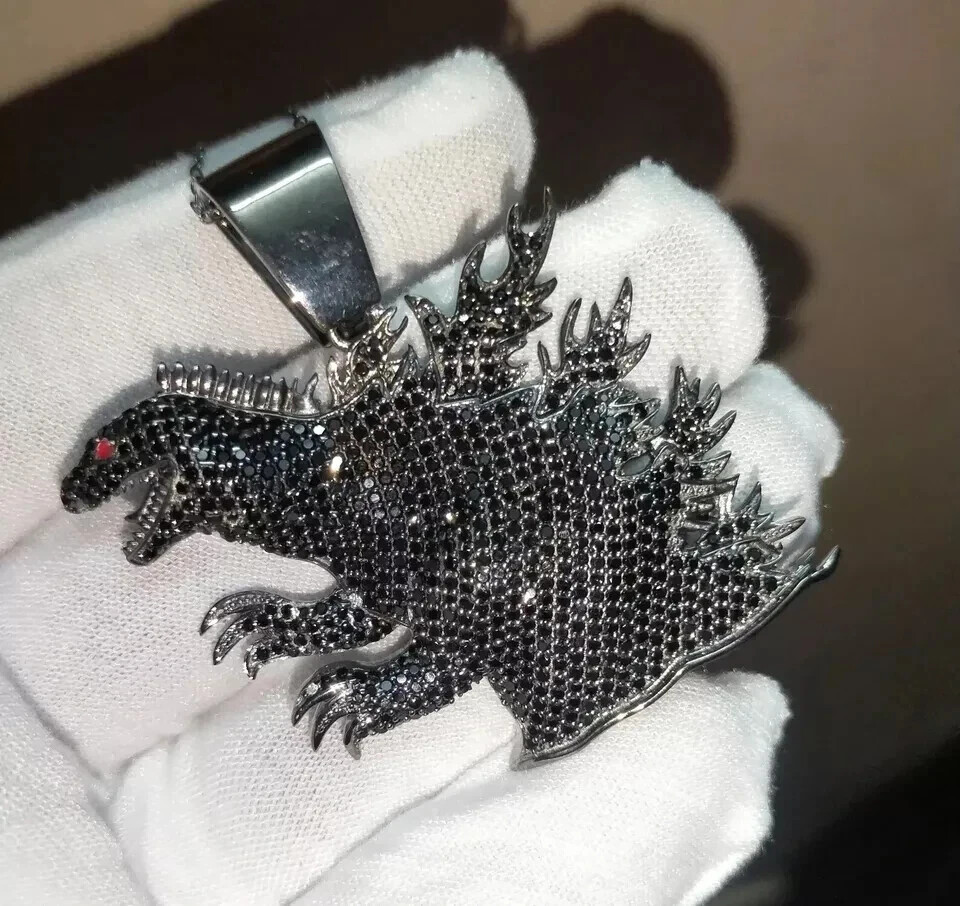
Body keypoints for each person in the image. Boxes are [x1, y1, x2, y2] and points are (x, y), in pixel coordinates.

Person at [0, 49, 840, 905]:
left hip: (548, 615)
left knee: (449, 580)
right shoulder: (364, 495)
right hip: (473, 539)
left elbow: (433, 629)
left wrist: (368, 671)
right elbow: (385, 599)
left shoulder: (412, 513)